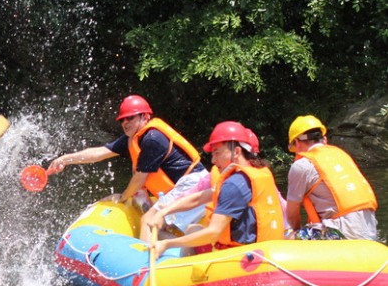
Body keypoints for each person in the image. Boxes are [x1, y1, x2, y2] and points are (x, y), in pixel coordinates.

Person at [46, 94, 207, 240]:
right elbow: (100, 152)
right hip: (185, 186)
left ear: (145, 116)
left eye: (130, 118)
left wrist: (122, 197)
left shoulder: (152, 139)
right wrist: (66, 159)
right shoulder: (133, 138)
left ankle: (156, 256)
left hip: (193, 185)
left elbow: (139, 180)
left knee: (149, 222)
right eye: (122, 120)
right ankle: (185, 244)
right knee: (145, 208)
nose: (125, 123)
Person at [147, 121, 284, 256]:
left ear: (236, 152)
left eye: (217, 153)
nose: (213, 160)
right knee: (194, 229)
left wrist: (166, 244)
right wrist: (164, 211)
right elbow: (199, 198)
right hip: (267, 251)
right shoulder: (257, 172)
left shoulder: (235, 184)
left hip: (242, 258)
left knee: (195, 232)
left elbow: (213, 232)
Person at [285, 115, 378, 240]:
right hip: (370, 229)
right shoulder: (342, 154)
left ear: (297, 142)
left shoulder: (301, 166)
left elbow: (292, 215)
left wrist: (296, 232)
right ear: (323, 139)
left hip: (344, 231)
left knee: (288, 235)